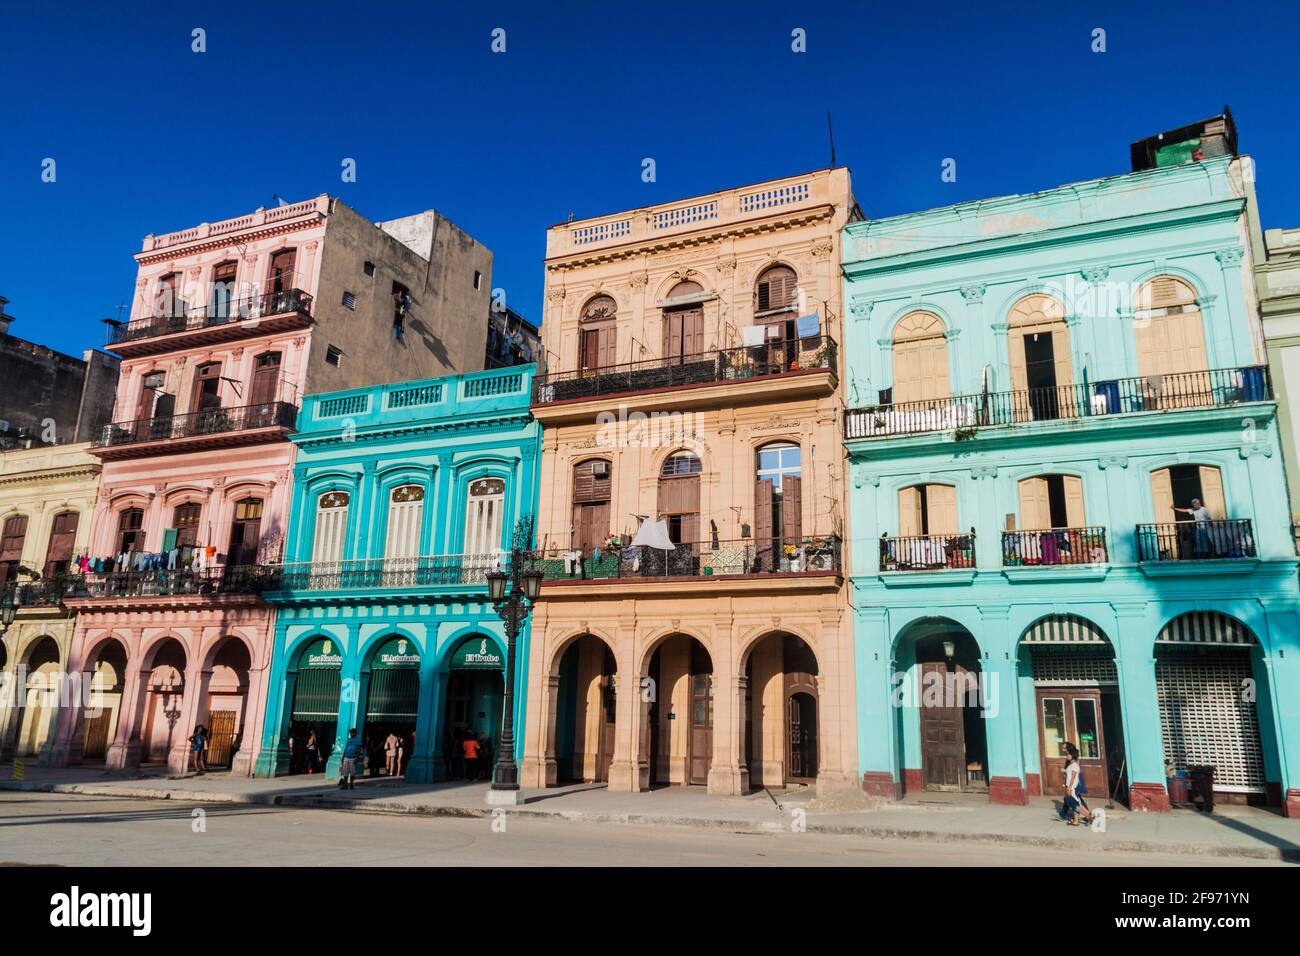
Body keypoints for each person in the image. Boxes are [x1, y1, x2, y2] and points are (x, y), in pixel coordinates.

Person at [1061, 742, 1090, 826]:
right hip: (1071, 785)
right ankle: (1076, 820)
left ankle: (1088, 815)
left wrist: (1069, 787)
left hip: (1073, 786)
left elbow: (1073, 776)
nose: (1063, 750)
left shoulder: (1074, 763)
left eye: (1064, 748)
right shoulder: (1070, 762)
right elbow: (1069, 774)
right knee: (1073, 802)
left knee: (1075, 803)